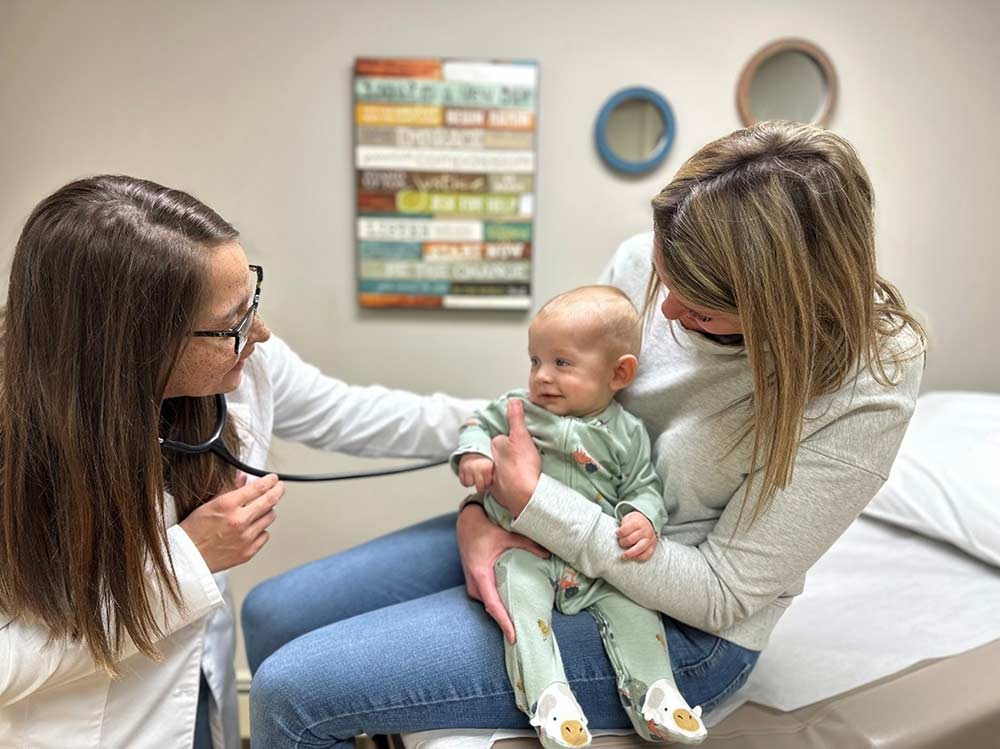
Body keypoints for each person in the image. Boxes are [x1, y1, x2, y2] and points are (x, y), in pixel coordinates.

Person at [245, 120, 926, 748]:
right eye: (665, 276)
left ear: (782, 308)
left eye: (704, 311)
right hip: (546, 530)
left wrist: (536, 504)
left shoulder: (866, 385)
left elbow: (725, 591)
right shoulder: (647, 265)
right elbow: (551, 419)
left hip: (679, 621)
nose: (667, 309)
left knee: (291, 693)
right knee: (273, 611)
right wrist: (478, 517)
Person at [0, 175, 482, 749]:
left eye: (250, 299)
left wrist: (514, 420)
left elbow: (358, 414)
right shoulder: (19, 443)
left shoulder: (242, 366)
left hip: (194, 692)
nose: (259, 332)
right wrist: (187, 562)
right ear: (130, 346)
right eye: (231, 323)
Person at [453, 285, 706, 747]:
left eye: (561, 363)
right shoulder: (519, 410)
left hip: (596, 566)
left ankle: (657, 696)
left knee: (636, 607)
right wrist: (474, 454)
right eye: (535, 361)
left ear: (619, 373)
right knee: (520, 603)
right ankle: (550, 701)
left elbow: (643, 487)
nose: (541, 376)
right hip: (523, 548)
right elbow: (475, 424)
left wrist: (643, 519)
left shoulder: (627, 433)